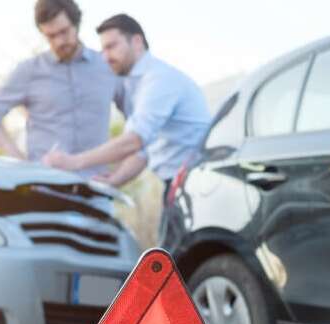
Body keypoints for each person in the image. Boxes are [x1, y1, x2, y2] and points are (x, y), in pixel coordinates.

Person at [43, 13, 211, 192]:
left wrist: (73, 162)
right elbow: (144, 150)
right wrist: (115, 179)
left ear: (137, 42)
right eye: (103, 50)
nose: (105, 57)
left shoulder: (159, 80)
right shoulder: (138, 85)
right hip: (180, 183)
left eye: (111, 46)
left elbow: (133, 141)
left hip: (197, 183)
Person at [0, 0, 120, 177]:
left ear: (76, 24)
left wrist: (120, 172)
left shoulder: (107, 67)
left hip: (95, 189)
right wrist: (20, 163)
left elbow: (138, 122)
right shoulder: (29, 71)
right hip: (43, 188)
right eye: (51, 36)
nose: (59, 41)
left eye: (64, 32)